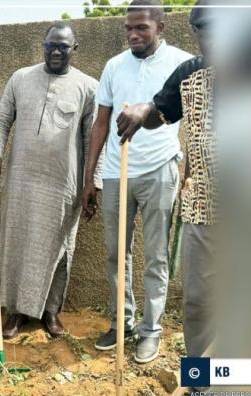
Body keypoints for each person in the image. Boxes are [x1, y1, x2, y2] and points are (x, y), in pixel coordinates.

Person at [116, 0, 217, 396]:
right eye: (204, 30)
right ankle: (202, 392)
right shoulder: (190, 73)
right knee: (198, 304)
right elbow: (161, 112)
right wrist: (144, 112)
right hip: (206, 205)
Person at [81, 0, 192, 363]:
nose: (133, 34)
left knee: (156, 257)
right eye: (129, 27)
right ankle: (121, 322)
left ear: (161, 27)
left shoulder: (182, 63)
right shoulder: (114, 66)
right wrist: (90, 178)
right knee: (117, 254)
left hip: (160, 169)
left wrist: (188, 169)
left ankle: (151, 330)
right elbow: (101, 123)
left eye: (142, 27)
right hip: (116, 173)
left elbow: (194, 117)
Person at [0, 22, 98, 339]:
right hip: (21, 181)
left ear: (74, 49)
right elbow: (1, 119)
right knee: (17, 245)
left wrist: (93, 183)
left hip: (64, 184)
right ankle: (16, 313)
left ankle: (50, 313)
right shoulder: (20, 78)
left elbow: (94, 142)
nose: (56, 51)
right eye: (51, 46)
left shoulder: (89, 87)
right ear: (43, 46)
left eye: (63, 46)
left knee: (60, 249)